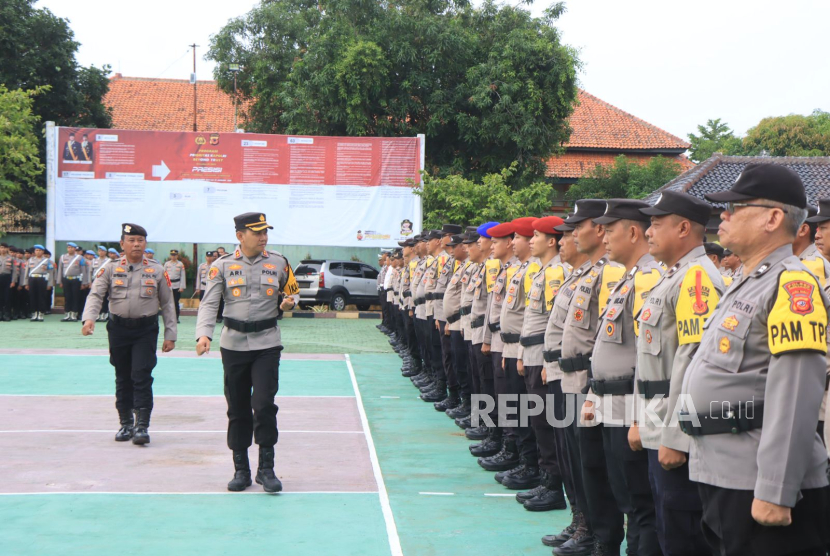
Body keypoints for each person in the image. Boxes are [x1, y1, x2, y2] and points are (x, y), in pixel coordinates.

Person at [682, 163, 830, 555]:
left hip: (759, 482)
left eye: (735, 207)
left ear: (772, 218)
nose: (723, 215)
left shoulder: (791, 284)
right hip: (725, 473)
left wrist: (777, 490)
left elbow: (796, 394)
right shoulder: (748, 282)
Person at [633, 191, 725, 556]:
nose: (648, 231)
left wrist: (676, 437)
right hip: (658, 422)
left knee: (684, 537)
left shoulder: (697, 278)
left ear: (684, 227)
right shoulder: (673, 276)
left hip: (678, 434)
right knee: (665, 529)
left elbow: (693, 363)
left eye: (656, 224)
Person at [580, 200, 663, 556]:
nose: (605, 237)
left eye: (610, 230)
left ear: (632, 232)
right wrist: (591, 395)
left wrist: (638, 418)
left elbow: (651, 356)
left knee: (639, 502)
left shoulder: (648, 278)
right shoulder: (627, 278)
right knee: (620, 492)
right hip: (608, 402)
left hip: (629, 405)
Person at [195, 212, 300, 493]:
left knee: (264, 404)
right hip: (233, 346)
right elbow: (208, 304)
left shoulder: (279, 262)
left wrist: (290, 302)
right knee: (238, 407)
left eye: (265, 232)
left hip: (267, 343)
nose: (263, 237)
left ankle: (266, 469)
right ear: (240, 236)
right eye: (257, 232)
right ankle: (241, 469)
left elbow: (293, 292)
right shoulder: (222, 266)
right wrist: (203, 334)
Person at [81, 223, 177, 445]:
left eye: (140, 240)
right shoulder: (110, 269)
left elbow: (168, 303)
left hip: (146, 330)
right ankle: (125, 424)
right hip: (119, 330)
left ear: (145, 243)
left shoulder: (157, 270)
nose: (136, 244)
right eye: (131, 240)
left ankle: (142, 426)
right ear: (122, 244)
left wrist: (170, 334)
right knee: (123, 376)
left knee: (142, 374)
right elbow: (96, 295)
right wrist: (89, 319)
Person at [57, 242, 88, 322]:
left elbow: (83, 271)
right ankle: (67, 314)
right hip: (66, 279)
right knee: (67, 297)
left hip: (76, 279)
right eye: (68, 247)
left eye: (72, 248)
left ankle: (74, 314)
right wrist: (60, 281)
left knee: (75, 297)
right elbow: (60, 269)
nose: (70, 249)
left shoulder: (80, 258)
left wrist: (84, 282)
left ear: (75, 249)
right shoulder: (63, 257)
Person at [25, 245, 55, 322]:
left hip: (42, 279)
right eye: (37, 250)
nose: (38, 252)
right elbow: (26, 272)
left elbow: (50, 273)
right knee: (33, 296)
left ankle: (41, 313)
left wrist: (49, 284)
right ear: (34, 251)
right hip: (32, 279)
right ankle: (34, 313)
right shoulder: (30, 260)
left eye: (40, 250)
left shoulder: (47, 261)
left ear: (43, 252)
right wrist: (26, 283)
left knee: (42, 296)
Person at [164, 250, 186, 323]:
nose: (173, 256)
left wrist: (182, 286)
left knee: (176, 302)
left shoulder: (180, 264)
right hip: (168, 285)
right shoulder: (167, 264)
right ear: (170, 255)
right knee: (168, 303)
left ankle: (176, 317)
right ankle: (169, 318)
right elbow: (164, 275)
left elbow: (183, 275)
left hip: (177, 285)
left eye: (175, 255)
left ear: (177, 255)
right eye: (172, 255)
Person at [0, 243, 13, 321]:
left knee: (7, 297)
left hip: (7, 278)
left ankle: (7, 314)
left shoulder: (11, 258)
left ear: (7, 249)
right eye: (1, 247)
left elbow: (14, 271)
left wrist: (13, 281)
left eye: (5, 248)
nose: (3, 249)